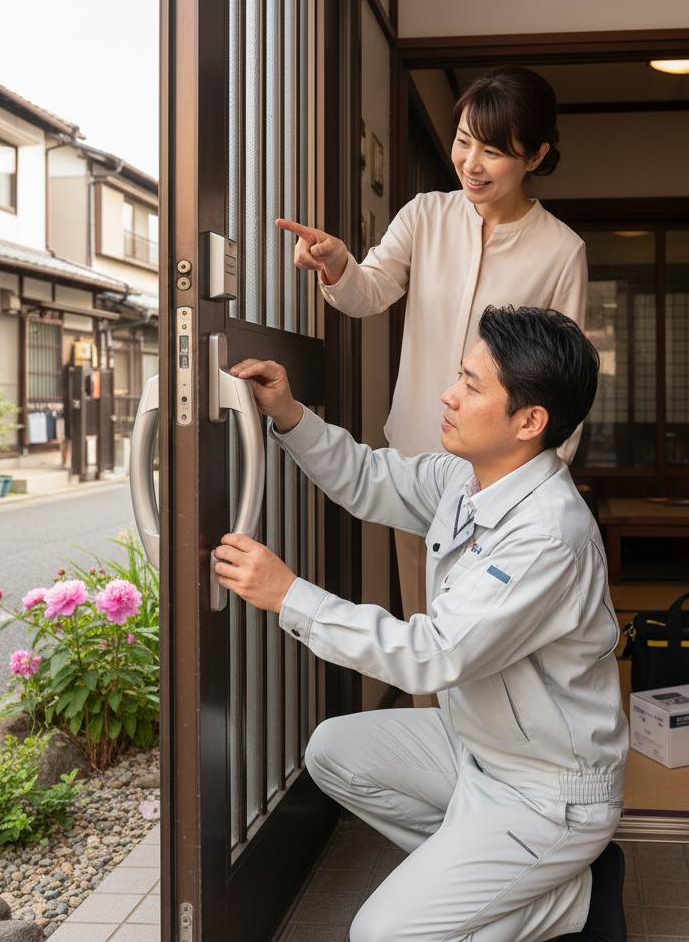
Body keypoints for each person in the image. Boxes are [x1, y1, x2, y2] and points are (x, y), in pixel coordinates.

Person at [213, 306, 628, 942]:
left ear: (529, 422)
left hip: (547, 790)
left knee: (380, 936)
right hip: (477, 747)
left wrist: (289, 595)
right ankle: (524, 879)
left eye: (472, 385)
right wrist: (290, 414)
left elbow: (432, 654)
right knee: (332, 751)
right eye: (459, 376)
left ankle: (565, 896)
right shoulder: (470, 478)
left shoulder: (547, 535)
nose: (448, 395)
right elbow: (368, 479)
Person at [276, 67, 588, 695]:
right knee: (425, 627)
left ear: (535, 157)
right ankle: (433, 740)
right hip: (418, 460)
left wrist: (536, 485)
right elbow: (369, 293)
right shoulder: (425, 214)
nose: (470, 163)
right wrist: (338, 264)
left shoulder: (561, 250)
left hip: (502, 477)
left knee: (492, 638)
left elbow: (566, 384)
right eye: (463, 141)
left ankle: (492, 744)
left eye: (493, 151)